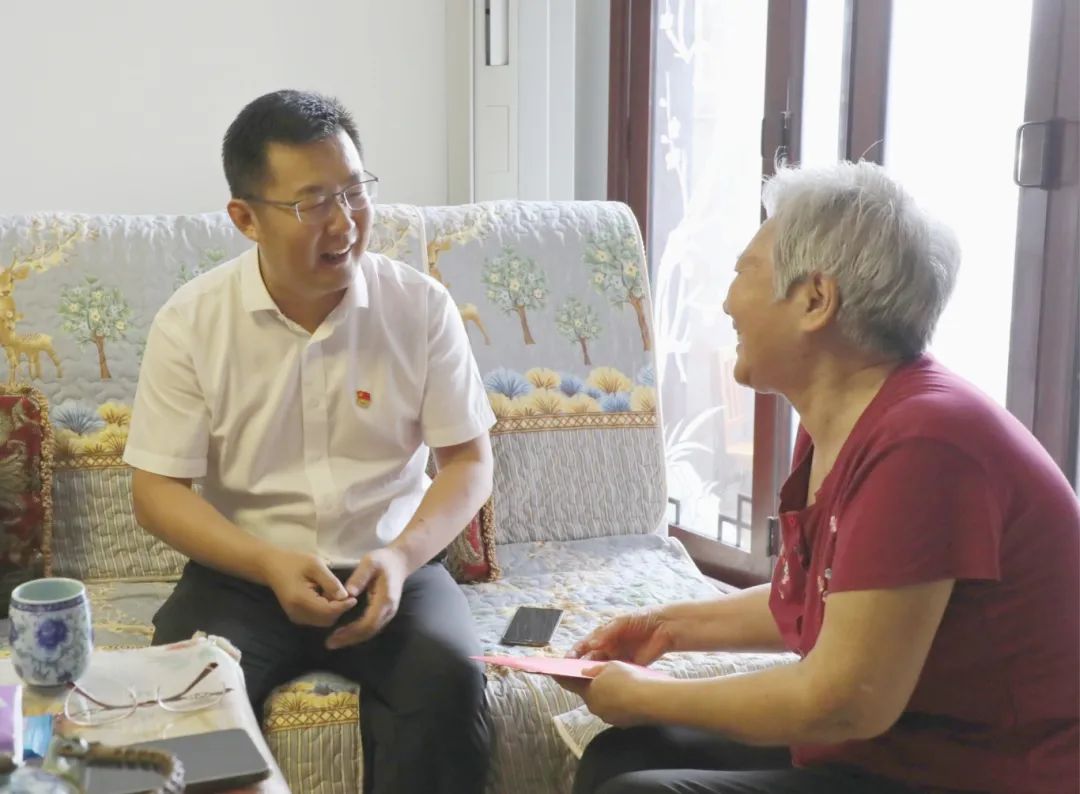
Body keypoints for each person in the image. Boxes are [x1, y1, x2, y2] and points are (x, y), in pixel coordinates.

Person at [561, 161, 1080, 794]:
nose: (727, 302)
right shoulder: (841, 420)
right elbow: (822, 599)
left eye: (744, 272)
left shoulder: (925, 444)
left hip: (982, 773)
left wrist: (648, 695)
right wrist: (666, 628)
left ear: (815, 300)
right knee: (625, 755)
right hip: (895, 748)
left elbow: (844, 701)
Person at [124, 89, 495, 794]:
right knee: (184, 704)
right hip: (242, 574)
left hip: (391, 567)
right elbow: (155, 491)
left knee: (449, 682)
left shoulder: (419, 307)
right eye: (312, 203)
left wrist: (402, 556)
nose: (345, 222)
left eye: (354, 191)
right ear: (245, 218)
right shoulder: (191, 322)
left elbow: (469, 462)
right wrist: (267, 561)